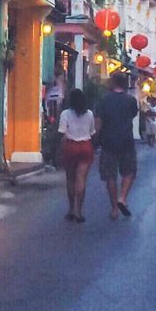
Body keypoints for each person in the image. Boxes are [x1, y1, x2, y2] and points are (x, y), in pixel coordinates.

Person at [94, 72, 140, 220]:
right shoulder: (131, 100)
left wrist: (95, 138)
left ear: (113, 83)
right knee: (129, 171)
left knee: (110, 176)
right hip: (126, 140)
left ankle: (114, 207)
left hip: (108, 141)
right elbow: (132, 115)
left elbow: (99, 121)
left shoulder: (104, 100)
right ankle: (123, 197)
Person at [58, 88, 96, 222]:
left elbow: (62, 132)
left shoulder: (65, 114)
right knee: (81, 179)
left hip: (70, 145)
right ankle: (79, 211)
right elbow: (92, 132)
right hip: (86, 145)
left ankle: (71, 209)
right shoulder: (90, 114)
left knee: (70, 179)